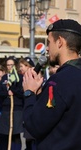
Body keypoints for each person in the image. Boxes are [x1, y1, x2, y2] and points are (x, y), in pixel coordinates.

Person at [23, 19, 81, 150]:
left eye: (49, 42)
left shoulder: (59, 81)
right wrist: (39, 94)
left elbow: (35, 125)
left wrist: (29, 93)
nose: (47, 48)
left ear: (60, 42)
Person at [0, 56, 24, 150]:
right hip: (6, 108)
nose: (9, 67)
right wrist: (6, 92)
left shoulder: (20, 77)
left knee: (15, 134)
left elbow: (22, 92)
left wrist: (13, 91)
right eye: (8, 65)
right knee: (6, 133)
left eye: (11, 65)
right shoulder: (4, 77)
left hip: (16, 108)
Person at [18, 57, 35, 150]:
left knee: (33, 138)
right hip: (25, 109)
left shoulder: (35, 77)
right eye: (20, 66)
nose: (22, 68)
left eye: (24, 66)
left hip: (33, 109)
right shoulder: (21, 79)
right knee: (27, 138)